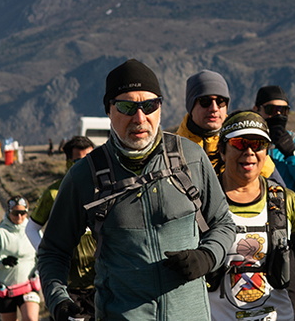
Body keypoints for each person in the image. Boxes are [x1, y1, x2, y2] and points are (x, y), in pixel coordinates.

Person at [37, 59, 236, 321]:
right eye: (127, 107)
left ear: (160, 108)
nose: (140, 118)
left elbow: (223, 224)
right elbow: (53, 250)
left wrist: (207, 256)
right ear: (109, 110)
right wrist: (58, 300)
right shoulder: (84, 175)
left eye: (149, 106)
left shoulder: (191, 158)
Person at [209, 111, 295, 320]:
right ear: (222, 150)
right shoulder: (203, 201)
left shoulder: (285, 200)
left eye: (258, 145)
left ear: (266, 152)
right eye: (240, 143)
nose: (249, 152)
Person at [26, 136, 95, 320]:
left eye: (90, 159)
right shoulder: (54, 193)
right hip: (67, 284)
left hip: (100, 281)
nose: (85, 165)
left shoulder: (104, 190)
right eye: (79, 161)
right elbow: (31, 228)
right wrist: (49, 254)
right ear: (68, 162)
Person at [0, 196, 39, 321]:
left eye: (22, 213)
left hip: (28, 287)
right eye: (15, 213)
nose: (19, 217)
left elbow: (43, 254)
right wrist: (2, 261)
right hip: (6, 288)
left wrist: (38, 272)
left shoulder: (33, 231)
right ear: (9, 212)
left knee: (31, 318)